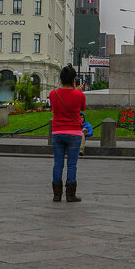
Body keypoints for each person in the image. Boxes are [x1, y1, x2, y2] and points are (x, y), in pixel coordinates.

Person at [49, 65, 87, 202]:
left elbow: (54, 107)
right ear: (73, 79)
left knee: (58, 163)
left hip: (57, 131)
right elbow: (82, 108)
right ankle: (70, 195)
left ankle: (57, 194)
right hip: (74, 133)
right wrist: (76, 91)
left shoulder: (53, 94)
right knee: (72, 164)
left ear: (60, 79)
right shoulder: (79, 95)